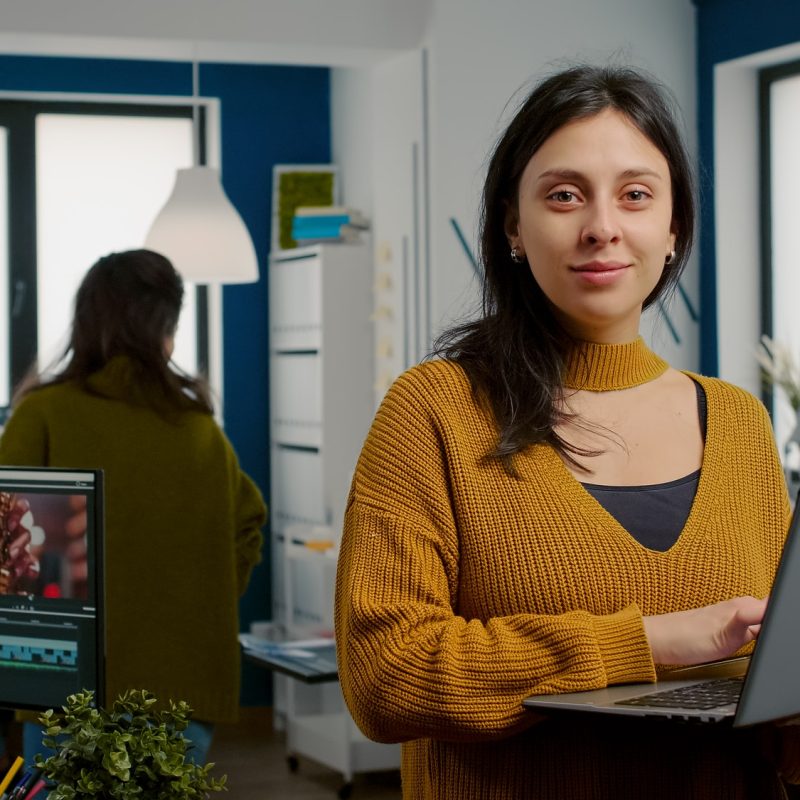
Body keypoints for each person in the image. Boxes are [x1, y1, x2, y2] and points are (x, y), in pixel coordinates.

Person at [334, 64, 800, 799]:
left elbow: (780, 682)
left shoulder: (739, 421)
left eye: (636, 195)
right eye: (563, 195)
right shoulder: (435, 412)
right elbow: (385, 676)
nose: (602, 227)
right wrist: (645, 641)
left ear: (673, 227)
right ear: (513, 225)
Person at [0, 249, 267, 766]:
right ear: (165, 328)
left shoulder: (43, 416)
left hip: (64, 680)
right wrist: (203, 599)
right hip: (183, 684)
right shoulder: (197, 429)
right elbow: (248, 521)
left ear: (86, 321)